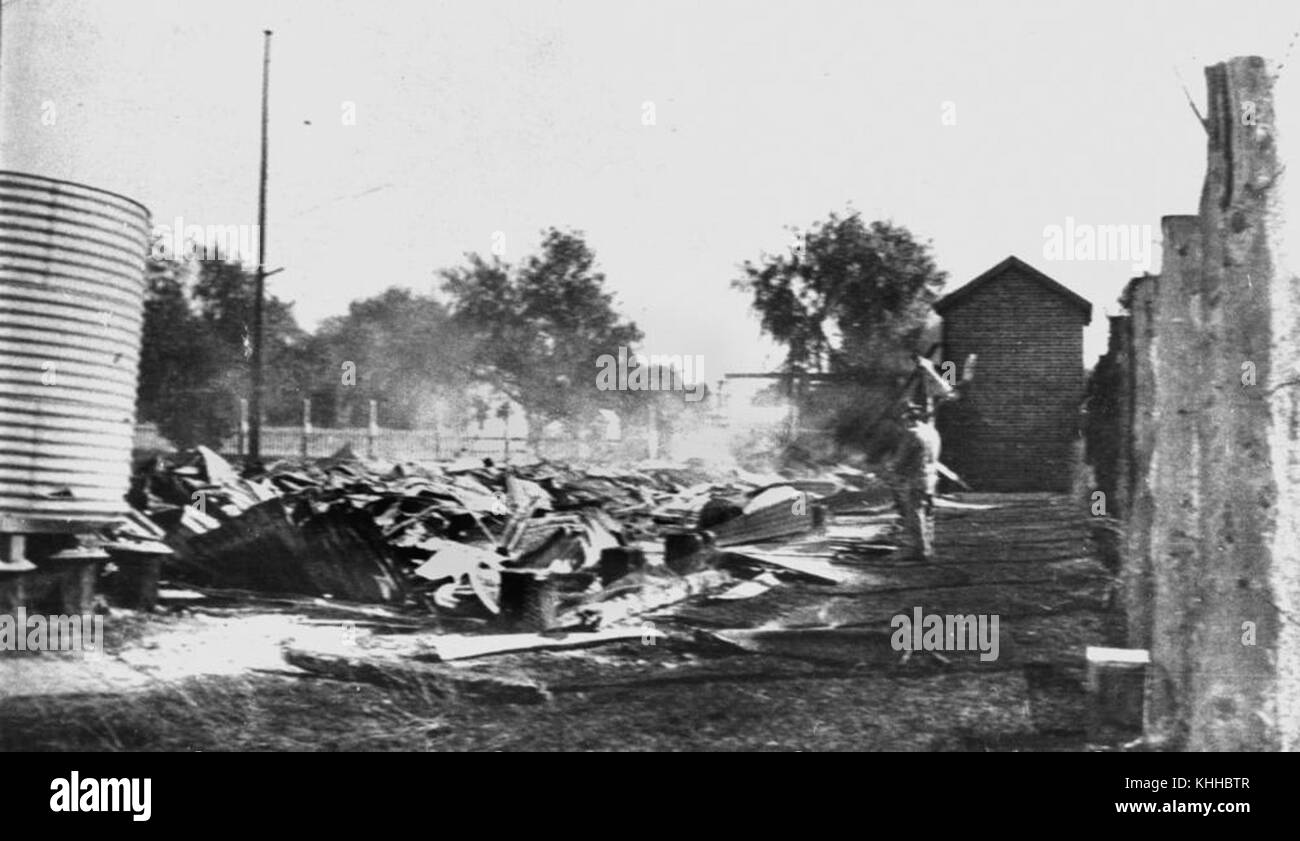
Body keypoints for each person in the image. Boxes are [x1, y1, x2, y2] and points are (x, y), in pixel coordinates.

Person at [890, 401, 941, 561]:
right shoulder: (933, 432)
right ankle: (929, 546)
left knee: (914, 514)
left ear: (908, 418)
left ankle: (919, 550)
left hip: (916, 479)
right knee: (928, 513)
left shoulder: (912, 434)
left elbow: (900, 460)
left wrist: (891, 469)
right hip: (931, 478)